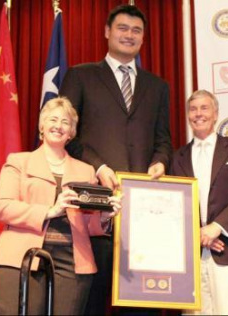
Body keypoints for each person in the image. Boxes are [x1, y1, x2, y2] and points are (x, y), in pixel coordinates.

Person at [59, 4, 172, 314]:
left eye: (136, 31)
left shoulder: (158, 86)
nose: (129, 35)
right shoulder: (81, 76)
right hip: (93, 208)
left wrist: (161, 161)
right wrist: (100, 167)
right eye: (122, 28)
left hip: (143, 213)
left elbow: (163, 139)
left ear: (143, 38)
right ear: (107, 32)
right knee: (90, 301)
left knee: (141, 305)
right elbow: (69, 134)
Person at [0, 97, 121, 315]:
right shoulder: (19, 162)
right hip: (20, 258)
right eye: (53, 119)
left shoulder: (86, 171)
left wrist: (106, 217)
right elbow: (2, 207)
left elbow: (87, 224)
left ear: (72, 133)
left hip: (73, 263)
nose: (58, 126)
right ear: (42, 126)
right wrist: (49, 211)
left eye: (65, 122)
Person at [170, 90, 228, 315]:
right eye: (193, 109)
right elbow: (174, 206)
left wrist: (215, 229)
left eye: (204, 108)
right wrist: (197, 235)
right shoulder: (177, 157)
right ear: (188, 115)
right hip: (191, 256)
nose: (198, 114)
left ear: (216, 114)